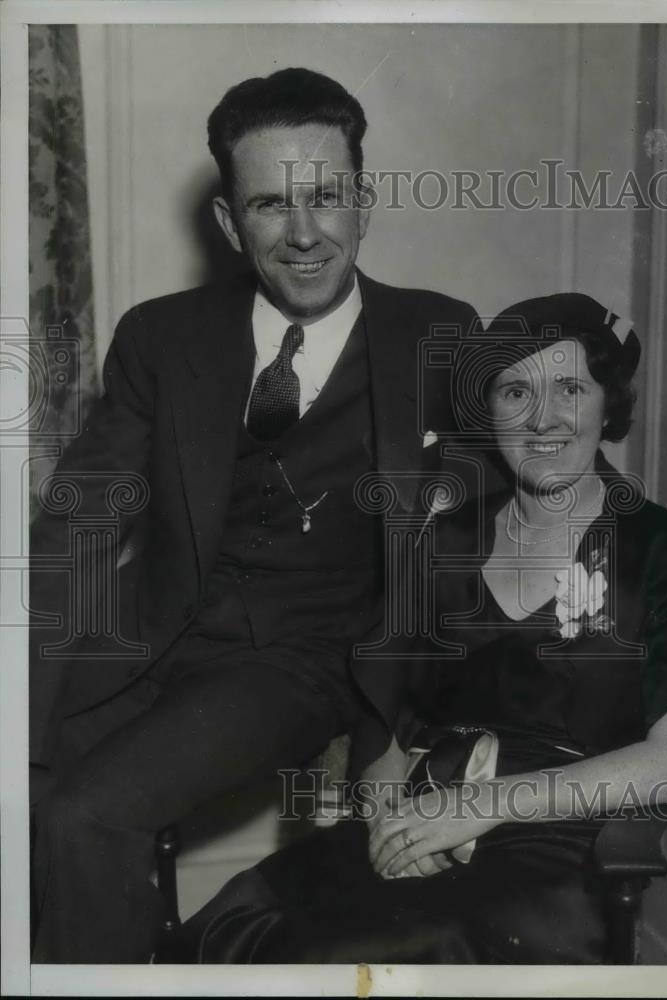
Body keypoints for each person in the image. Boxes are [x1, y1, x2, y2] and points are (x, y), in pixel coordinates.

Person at [28, 67, 479, 963]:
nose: (305, 234)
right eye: (272, 205)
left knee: (90, 815)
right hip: (153, 626)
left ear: (365, 200)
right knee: (21, 785)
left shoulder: (440, 334)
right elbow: (80, 524)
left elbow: (460, 551)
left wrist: (390, 728)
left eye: (326, 197)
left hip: (303, 658)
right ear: (232, 224)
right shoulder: (163, 335)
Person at [179, 292, 667, 964]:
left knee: (351, 952)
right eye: (514, 391)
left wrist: (481, 807)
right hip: (422, 815)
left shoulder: (663, 546)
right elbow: (382, 713)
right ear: (488, 413)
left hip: (558, 844)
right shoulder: (444, 538)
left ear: (607, 404)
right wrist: (390, 827)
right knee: (240, 919)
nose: (543, 417)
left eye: (570, 387)